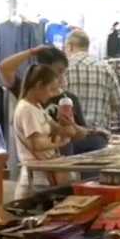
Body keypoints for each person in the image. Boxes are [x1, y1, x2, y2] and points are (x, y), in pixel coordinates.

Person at [0, 45, 100, 154]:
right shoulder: (29, 93)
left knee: (98, 141)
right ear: (43, 70)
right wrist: (31, 52)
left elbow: (80, 134)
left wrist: (71, 125)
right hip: (35, 158)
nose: (61, 78)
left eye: (64, 72)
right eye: (59, 71)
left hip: (60, 158)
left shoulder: (68, 99)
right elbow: (4, 68)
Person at [12, 64, 71, 200]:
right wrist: (60, 143)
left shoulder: (37, 107)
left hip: (41, 177)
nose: (52, 94)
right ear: (39, 85)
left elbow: (60, 129)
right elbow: (36, 145)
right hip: (35, 179)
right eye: (50, 89)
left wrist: (65, 122)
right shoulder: (27, 109)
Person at [63, 30, 120, 152]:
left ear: (70, 46)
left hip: (70, 135)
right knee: (94, 165)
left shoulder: (64, 69)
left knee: (68, 164)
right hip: (97, 136)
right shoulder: (106, 68)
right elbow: (118, 105)